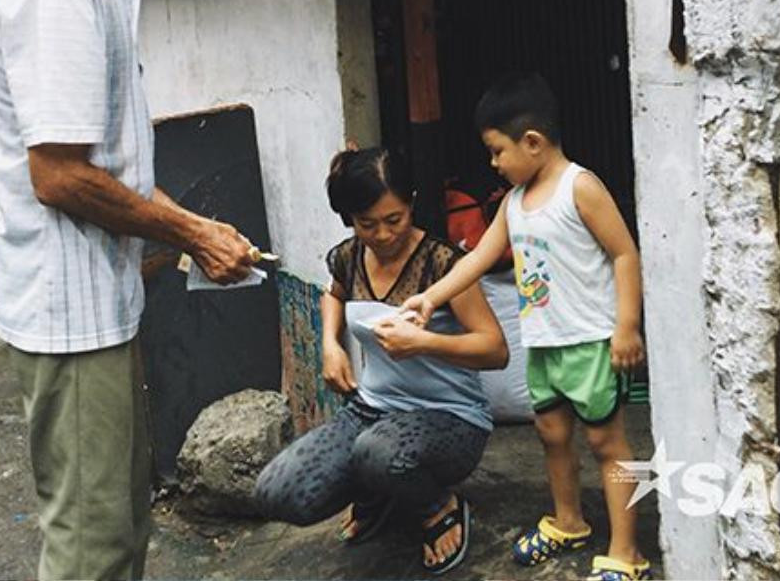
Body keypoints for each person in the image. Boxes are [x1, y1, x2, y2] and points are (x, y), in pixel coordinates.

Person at [0, 0, 256, 581]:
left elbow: (106, 169)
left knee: (121, 527)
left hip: (99, 307)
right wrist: (189, 233)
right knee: (92, 547)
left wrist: (191, 230)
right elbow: (59, 177)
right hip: (69, 318)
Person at [403, 73, 652, 581]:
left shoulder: (579, 187)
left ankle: (627, 551)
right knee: (552, 434)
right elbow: (477, 260)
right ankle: (569, 521)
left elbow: (625, 253)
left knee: (608, 444)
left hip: (590, 341)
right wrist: (430, 296)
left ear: (532, 142)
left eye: (497, 151)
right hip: (544, 344)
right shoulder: (513, 203)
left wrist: (627, 327)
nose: (493, 163)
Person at [254, 148, 508, 575]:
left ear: (411, 203)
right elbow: (333, 294)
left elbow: (494, 350)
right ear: (350, 218)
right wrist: (330, 347)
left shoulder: (442, 264)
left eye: (395, 220)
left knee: (378, 452)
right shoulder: (349, 257)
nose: (384, 235)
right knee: (277, 492)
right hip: (371, 412)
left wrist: (424, 343)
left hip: (451, 420)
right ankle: (379, 490)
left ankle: (436, 507)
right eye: (367, 224)